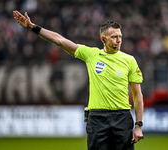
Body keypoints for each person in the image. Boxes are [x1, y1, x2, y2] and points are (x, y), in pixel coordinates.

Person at [13, 10, 144, 150]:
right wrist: (33, 27)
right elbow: (59, 40)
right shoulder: (91, 54)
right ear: (103, 39)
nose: (118, 40)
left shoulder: (129, 60)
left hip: (122, 117)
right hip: (97, 118)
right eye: (114, 37)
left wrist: (138, 125)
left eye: (120, 36)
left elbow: (137, 95)